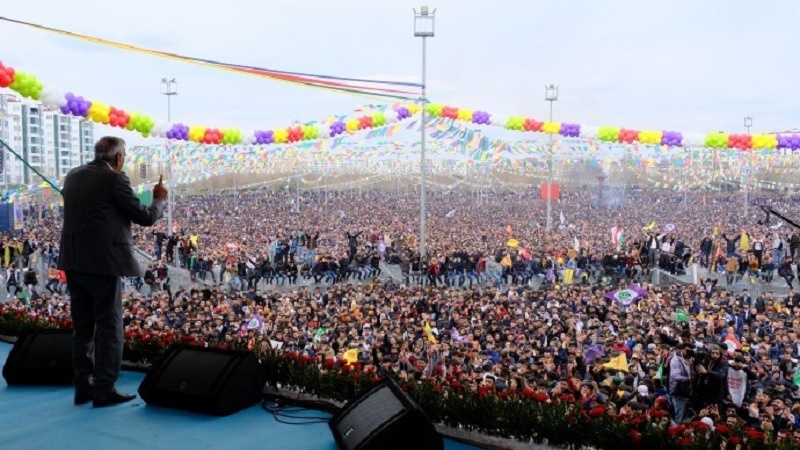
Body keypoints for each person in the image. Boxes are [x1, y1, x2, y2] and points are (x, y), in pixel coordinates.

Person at [59, 136, 167, 408]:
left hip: (73, 260)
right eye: (125, 157)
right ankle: (104, 389)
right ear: (118, 158)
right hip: (103, 263)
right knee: (110, 326)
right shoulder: (114, 179)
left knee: (82, 327)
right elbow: (145, 217)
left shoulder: (74, 175)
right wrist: (158, 200)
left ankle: (83, 386)